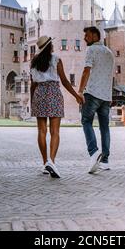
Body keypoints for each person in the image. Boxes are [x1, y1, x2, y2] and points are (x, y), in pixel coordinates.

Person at [30, 35, 84, 178]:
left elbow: (32, 85)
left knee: (42, 131)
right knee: (55, 131)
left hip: (39, 93)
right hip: (53, 92)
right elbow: (65, 81)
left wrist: (32, 101)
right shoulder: (56, 59)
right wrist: (76, 95)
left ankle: (45, 164)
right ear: (50, 46)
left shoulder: (34, 62)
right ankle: (51, 161)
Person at [78, 26, 115, 174]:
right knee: (104, 127)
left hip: (92, 93)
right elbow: (110, 76)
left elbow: (86, 70)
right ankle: (105, 160)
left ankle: (93, 152)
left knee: (86, 121)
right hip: (106, 96)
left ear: (94, 35)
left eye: (87, 35)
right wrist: (110, 95)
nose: (85, 38)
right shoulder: (110, 53)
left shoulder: (91, 50)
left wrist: (80, 90)